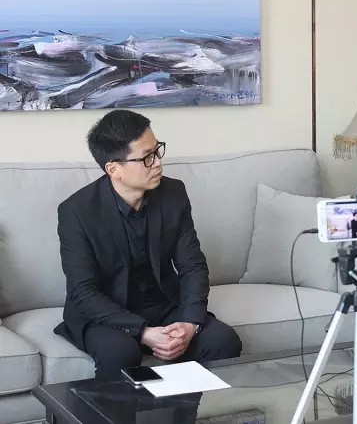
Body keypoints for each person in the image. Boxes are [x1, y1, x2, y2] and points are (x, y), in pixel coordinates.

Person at [53, 109, 242, 381]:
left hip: (162, 304)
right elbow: (83, 292)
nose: (158, 163)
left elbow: (192, 266)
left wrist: (190, 323)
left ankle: (187, 405)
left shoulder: (173, 193)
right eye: (146, 157)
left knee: (223, 340)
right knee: (120, 354)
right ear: (113, 169)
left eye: (157, 151)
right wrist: (143, 332)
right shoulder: (77, 211)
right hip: (107, 313)